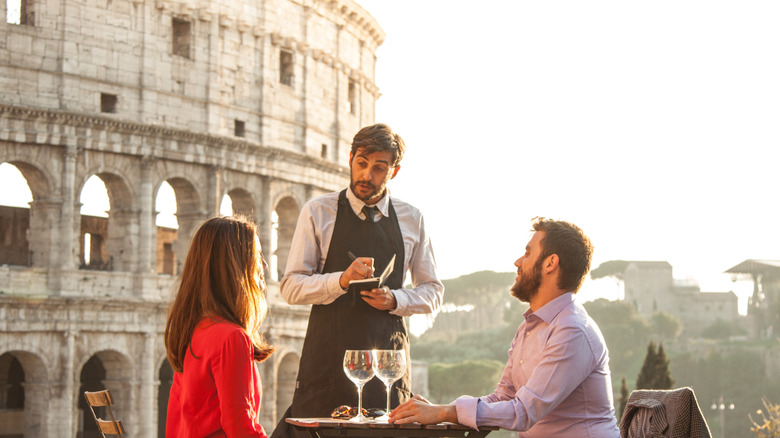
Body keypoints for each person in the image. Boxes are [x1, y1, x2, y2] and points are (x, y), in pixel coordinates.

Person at [271, 123, 444, 436]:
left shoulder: (412, 218)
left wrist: (396, 299)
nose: (367, 176)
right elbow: (291, 287)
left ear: (395, 170)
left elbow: (433, 291)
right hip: (327, 365)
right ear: (350, 158)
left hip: (389, 368)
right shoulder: (318, 212)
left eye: (379, 168)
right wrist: (340, 280)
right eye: (362, 164)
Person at [389, 218, 621, 438]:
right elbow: (504, 397)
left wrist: (445, 413)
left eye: (528, 253)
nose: (518, 261)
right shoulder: (529, 327)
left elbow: (523, 411)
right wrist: (445, 410)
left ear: (550, 263)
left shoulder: (572, 330)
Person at [165, 215, 274, 437]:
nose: (264, 265)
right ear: (234, 266)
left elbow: (175, 420)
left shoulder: (193, 330)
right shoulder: (232, 338)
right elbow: (240, 427)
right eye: (256, 255)